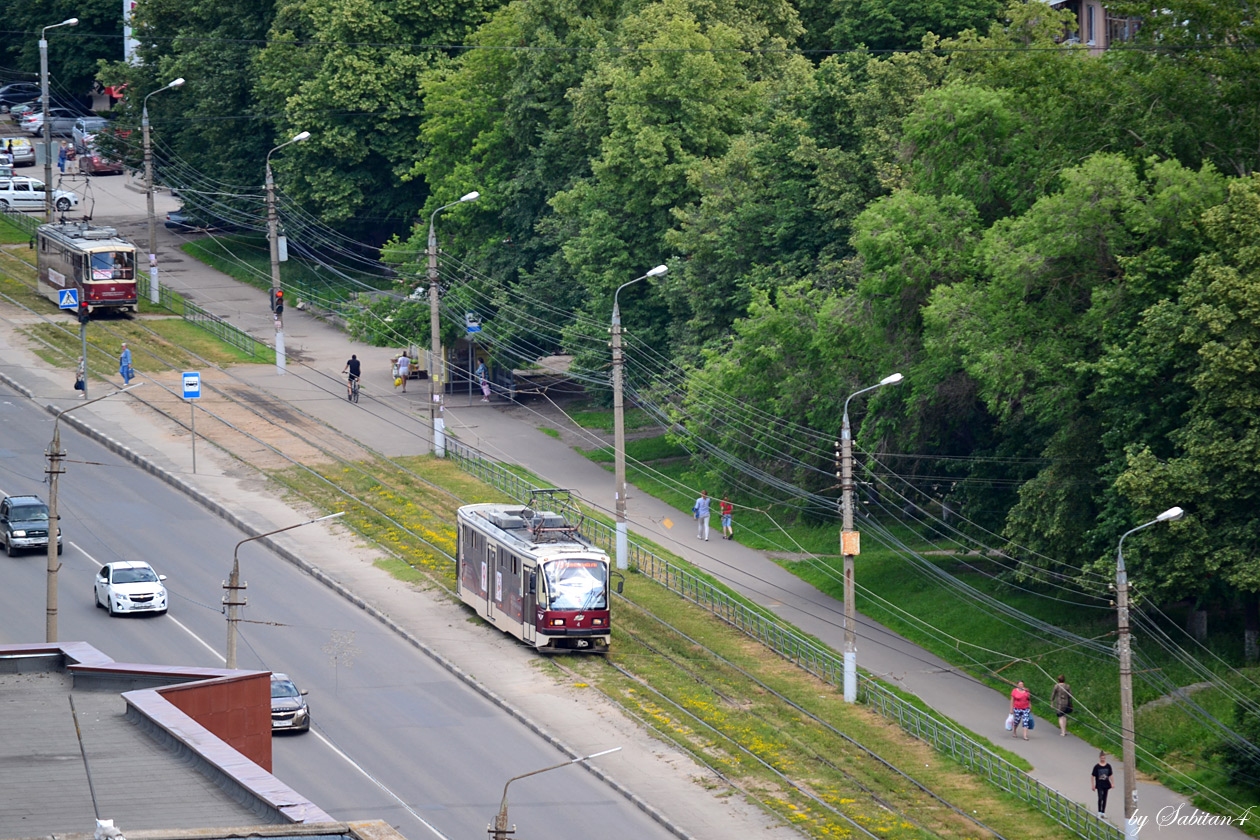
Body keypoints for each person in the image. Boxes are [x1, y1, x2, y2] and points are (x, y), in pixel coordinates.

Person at [1091, 752, 1114, 818]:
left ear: (1105, 758)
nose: (1103, 759)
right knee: (1100, 798)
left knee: (1104, 798)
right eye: (1102, 758)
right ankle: (1099, 812)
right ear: (1100, 758)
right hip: (1099, 784)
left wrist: (1112, 783)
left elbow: (1111, 775)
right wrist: (1093, 785)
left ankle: (1103, 812)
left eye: (1104, 758)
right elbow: (1092, 776)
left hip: (1106, 784)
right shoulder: (1097, 766)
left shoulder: (1108, 766)